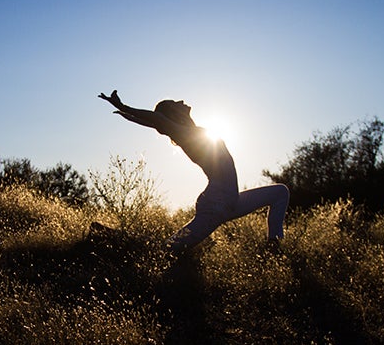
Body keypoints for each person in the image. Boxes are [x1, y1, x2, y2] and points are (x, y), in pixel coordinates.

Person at [98, 90, 289, 254]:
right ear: (173, 114)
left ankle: (274, 247)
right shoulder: (185, 134)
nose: (181, 102)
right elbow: (158, 120)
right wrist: (125, 107)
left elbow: (157, 122)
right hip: (217, 203)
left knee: (280, 192)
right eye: (175, 103)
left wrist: (128, 113)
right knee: (166, 250)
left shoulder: (189, 132)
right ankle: (110, 237)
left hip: (231, 201)